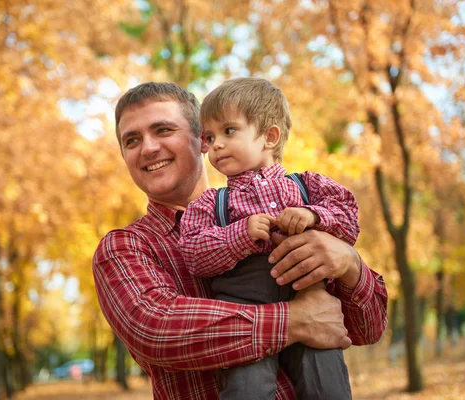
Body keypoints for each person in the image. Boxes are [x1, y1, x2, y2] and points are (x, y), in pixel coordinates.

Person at [92, 81, 388, 400]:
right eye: (132, 140)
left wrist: (348, 262)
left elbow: (367, 329)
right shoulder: (125, 248)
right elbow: (156, 329)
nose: (148, 148)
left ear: (201, 140)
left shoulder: (297, 203)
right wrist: (297, 321)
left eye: (163, 130)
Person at [179, 77, 358, 399]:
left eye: (229, 131)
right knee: (247, 387)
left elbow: (349, 219)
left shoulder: (307, 186)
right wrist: (238, 235)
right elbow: (192, 253)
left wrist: (315, 216)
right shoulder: (212, 203)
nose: (215, 144)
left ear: (269, 137)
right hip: (245, 310)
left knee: (326, 381)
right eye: (209, 136)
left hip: (310, 299)